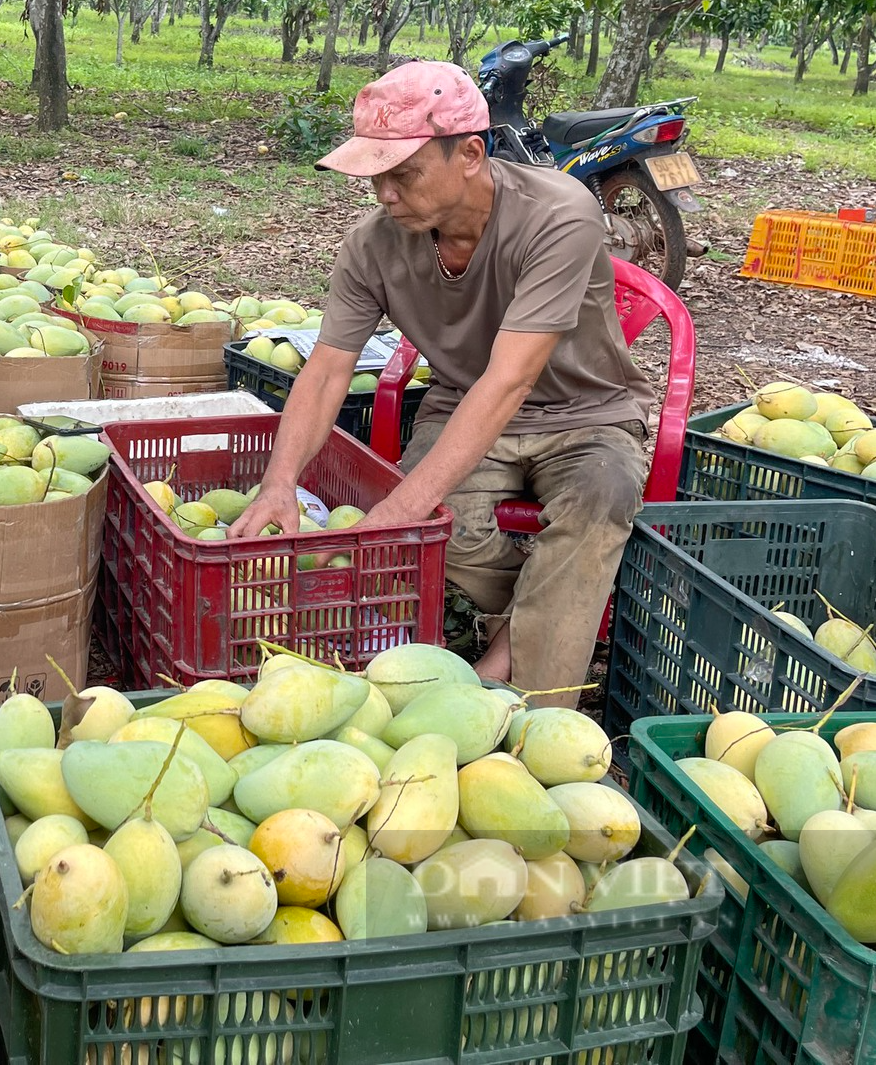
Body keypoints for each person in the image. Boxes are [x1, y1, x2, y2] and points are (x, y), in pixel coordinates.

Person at [230, 59, 654, 706]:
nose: (385, 195)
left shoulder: (558, 214)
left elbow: (510, 380)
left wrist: (394, 513)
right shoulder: (373, 245)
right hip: (460, 406)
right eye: (375, 177)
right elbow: (326, 370)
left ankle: (534, 715)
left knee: (601, 500)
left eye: (403, 174)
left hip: (585, 415)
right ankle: (526, 626)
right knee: (436, 529)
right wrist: (279, 482)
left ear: (470, 155)